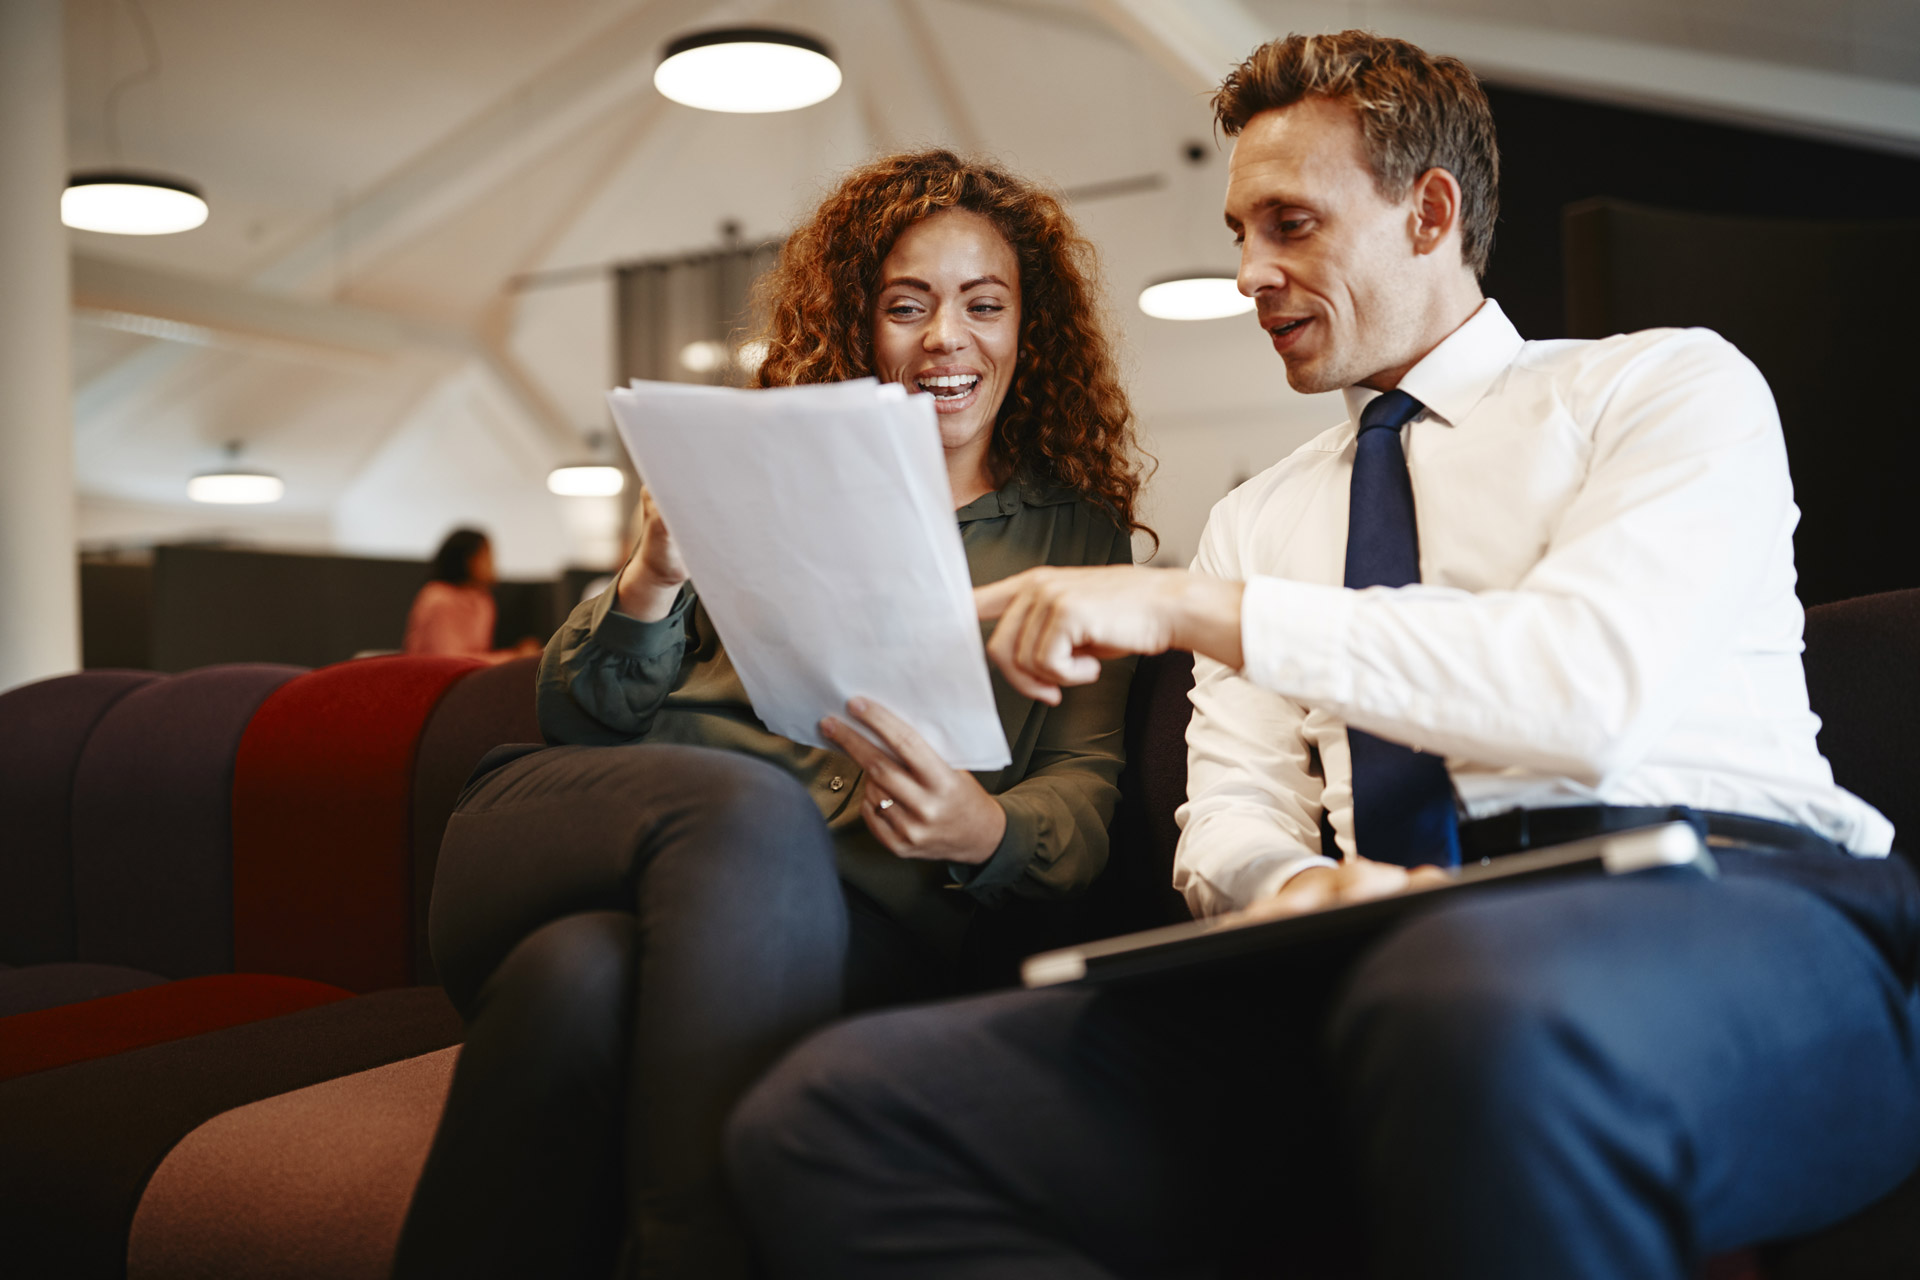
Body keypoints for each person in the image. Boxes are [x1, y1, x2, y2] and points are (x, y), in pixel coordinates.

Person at [726, 32, 1917, 1280]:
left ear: (1430, 214)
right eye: (1241, 232)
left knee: (1460, 999)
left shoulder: (1666, 387)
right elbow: (1229, 814)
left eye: (1290, 224)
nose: (1250, 272)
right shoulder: (1260, 518)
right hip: (1387, 957)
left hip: (1729, 908)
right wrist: (1295, 887)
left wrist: (1191, 606)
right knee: (838, 1116)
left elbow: (1586, 687)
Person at [392, 150, 1150, 1280]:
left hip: (836, 925)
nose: (947, 338)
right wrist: (655, 572)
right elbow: (579, 719)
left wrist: (984, 829)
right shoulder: (761, 464)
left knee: (573, 982)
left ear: (1026, 329)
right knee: (746, 808)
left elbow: (1084, 782)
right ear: (862, 324)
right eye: (908, 305)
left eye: (984, 305)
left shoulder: (1080, 537)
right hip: (592, 832)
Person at [401, 528, 540, 662]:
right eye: (487, 556)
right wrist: (515, 657)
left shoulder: (482, 601)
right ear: (468, 560)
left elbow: (478, 658)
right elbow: (450, 663)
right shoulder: (439, 599)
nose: (492, 564)